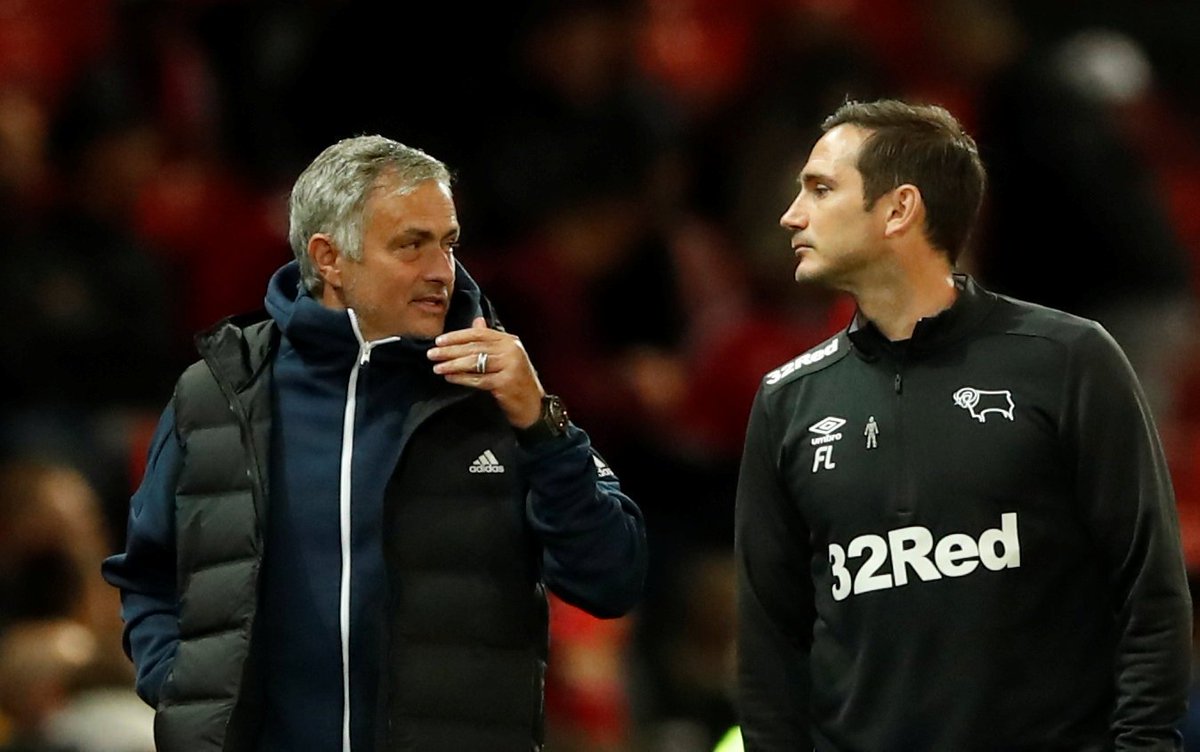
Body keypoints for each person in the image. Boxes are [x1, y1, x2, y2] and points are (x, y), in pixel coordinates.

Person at [100, 135, 648, 751]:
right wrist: (185, 688)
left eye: (447, 243)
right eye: (411, 245)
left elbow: (612, 577)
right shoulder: (220, 395)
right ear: (329, 259)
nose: (442, 271)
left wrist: (544, 425)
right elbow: (147, 575)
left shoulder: (498, 393)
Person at [734, 98, 1193, 750]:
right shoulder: (787, 402)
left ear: (899, 209)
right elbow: (770, 644)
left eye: (821, 188)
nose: (792, 214)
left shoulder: (1069, 361)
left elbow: (1149, 592)